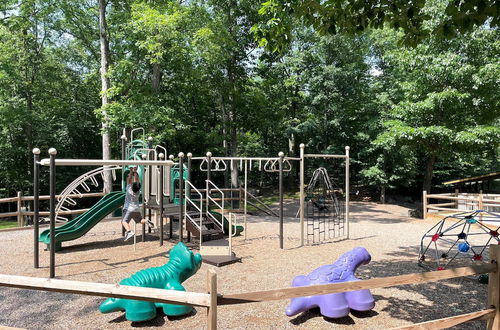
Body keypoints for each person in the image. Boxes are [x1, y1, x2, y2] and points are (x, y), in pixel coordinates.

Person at [122, 166, 154, 241]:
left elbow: (130, 179)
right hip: (136, 209)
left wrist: (130, 171)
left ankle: (129, 232)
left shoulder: (129, 189)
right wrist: (135, 171)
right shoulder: (138, 192)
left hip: (129, 209)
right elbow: (137, 180)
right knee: (140, 220)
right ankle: (146, 221)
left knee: (124, 221)